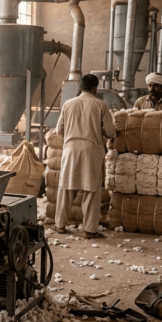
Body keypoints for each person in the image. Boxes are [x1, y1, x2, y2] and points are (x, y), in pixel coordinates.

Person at [55, 74, 116, 239]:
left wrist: (72, 135)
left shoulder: (68, 104)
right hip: (91, 152)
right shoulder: (100, 105)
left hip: (71, 151)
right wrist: (100, 131)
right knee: (91, 191)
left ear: (80, 87)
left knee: (67, 188)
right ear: (95, 88)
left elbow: (58, 130)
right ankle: (89, 230)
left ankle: (60, 225)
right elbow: (110, 132)